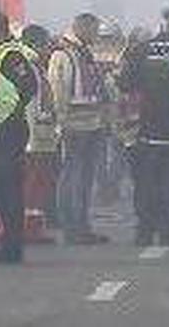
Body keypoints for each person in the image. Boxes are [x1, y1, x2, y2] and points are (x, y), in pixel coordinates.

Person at [118, 9, 169, 247]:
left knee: (146, 182)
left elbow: (126, 84)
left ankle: (145, 231)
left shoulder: (142, 51)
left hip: (149, 128)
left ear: (160, 27)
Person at [48, 13, 110, 245]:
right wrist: (61, 123)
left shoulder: (84, 53)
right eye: (94, 31)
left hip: (91, 123)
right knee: (72, 177)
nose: (96, 36)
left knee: (85, 179)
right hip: (74, 126)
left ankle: (82, 226)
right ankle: (71, 228)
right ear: (82, 28)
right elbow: (57, 91)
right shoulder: (62, 54)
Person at [0, 11, 39, 263]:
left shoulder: (11, 54)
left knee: (7, 189)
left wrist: (6, 113)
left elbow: (27, 87)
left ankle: (11, 246)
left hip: (6, 131)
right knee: (0, 190)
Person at [19, 24, 60, 235]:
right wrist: (49, 117)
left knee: (37, 184)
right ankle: (29, 229)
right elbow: (34, 103)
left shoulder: (31, 64)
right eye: (45, 44)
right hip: (35, 135)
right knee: (33, 184)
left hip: (36, 134)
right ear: (36, 44)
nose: (48, 49)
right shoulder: (30, 66)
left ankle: (34, 227)